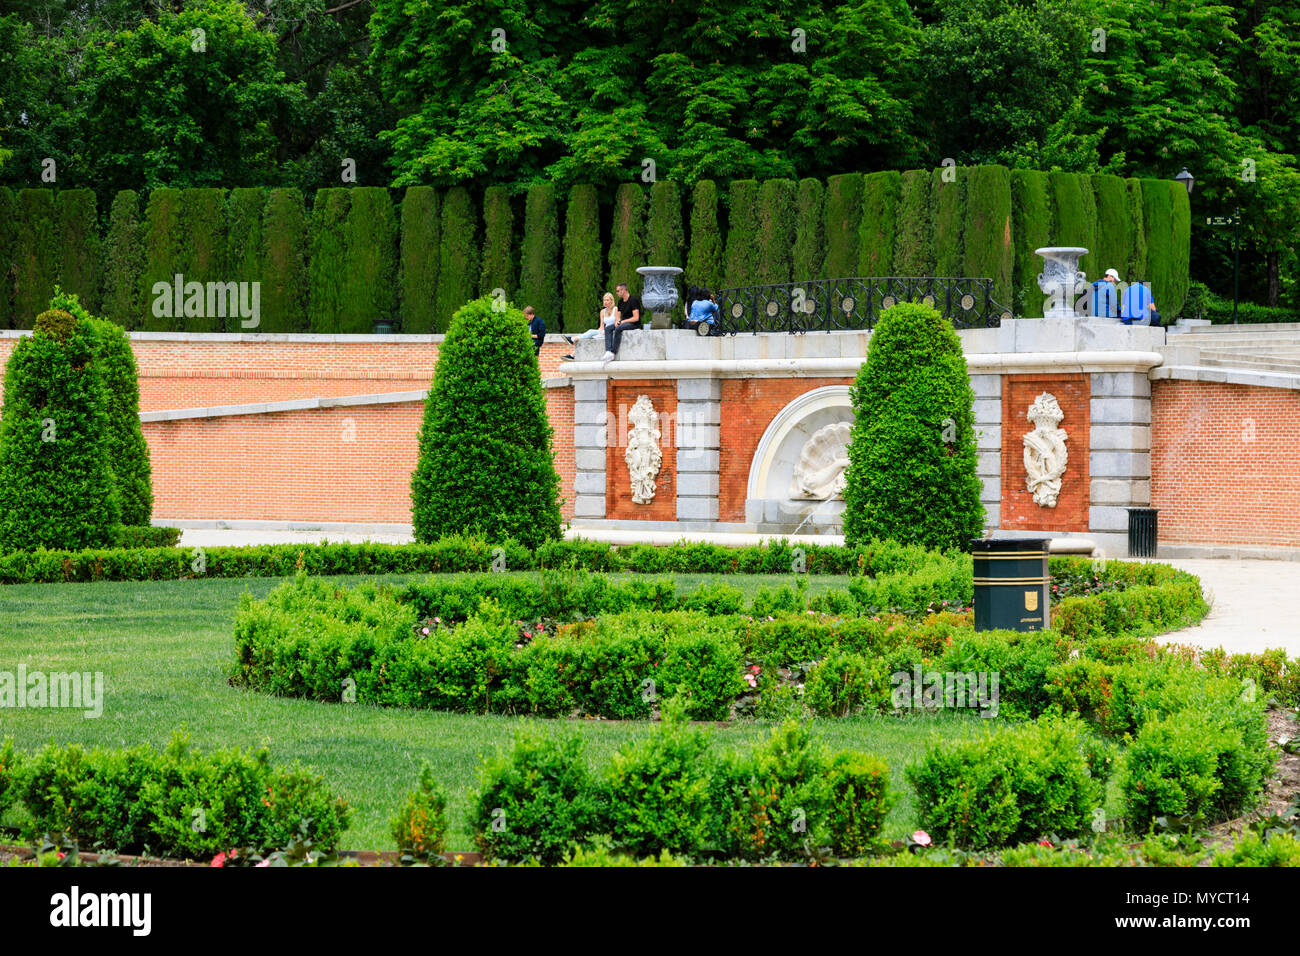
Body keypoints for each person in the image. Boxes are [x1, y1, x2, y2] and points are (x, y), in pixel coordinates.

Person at [562, 292, 619, 360]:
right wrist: (599, 332)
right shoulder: (602, 311)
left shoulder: (616, 309)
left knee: (590, 331)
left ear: (611, 301)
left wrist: (606, 331)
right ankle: (572, 355)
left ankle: (573, 339)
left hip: (612, 332)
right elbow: (601, 326)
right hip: (603, 332)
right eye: (604, 300)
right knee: (587, 337)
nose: (605, 302)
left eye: (607, 300)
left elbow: (617, 323)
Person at [605, 282, 641, 363]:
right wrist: (617, 320)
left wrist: (622, 322)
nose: (616, 293)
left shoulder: (633, 300)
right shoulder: (620, 301)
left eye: (618, 291)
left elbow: (636, 318)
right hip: (623, 323)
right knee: (608, 328)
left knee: (618, 328)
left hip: (633, 324)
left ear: (623, 290)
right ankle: (608, 351)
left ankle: (613, 352)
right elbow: (618, 315)